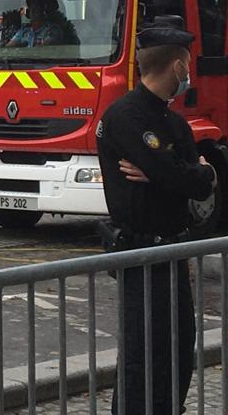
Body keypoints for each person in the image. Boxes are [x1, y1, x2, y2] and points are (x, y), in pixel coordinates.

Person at [97, 24, 216, 415]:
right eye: (188, 66)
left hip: (174, 252)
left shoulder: (174, 122)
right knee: (142, 353)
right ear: (179, 67)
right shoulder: (126, 116)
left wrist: (177, 173)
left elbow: (198, 182)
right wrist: (176, 173)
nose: (190, 73)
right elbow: (181, 175)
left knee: (180, 346)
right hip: (140, 253)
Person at [5, 0, 75, 48]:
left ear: (43, 11)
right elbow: (10, 46)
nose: (32, 11)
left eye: (36, 8)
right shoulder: (24, 31)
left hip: (46, 63)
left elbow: (46, 45)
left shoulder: (53, 30)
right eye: (31, 8)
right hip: (21, 64)